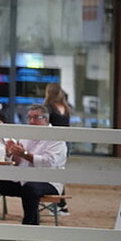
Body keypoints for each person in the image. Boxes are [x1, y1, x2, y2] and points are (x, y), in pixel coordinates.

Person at [0, 104, 67, 225]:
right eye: (29, 118)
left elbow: (49, 162)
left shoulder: (56, 138)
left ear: (45, 119)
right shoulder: (26, 134)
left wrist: (24, 154)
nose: (31, 121)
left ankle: (29, 227)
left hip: (48, 181)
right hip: (23, 178)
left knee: (30, 188)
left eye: (35, 118)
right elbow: (18, 162)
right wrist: (13, 153)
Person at [43, 83, 71, 214]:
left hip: (58, 142)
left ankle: (60, 203)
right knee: (56, 170)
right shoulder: (58, 108)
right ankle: (60, 203)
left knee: (56, 170)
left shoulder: (56, 107)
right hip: (58, 142)